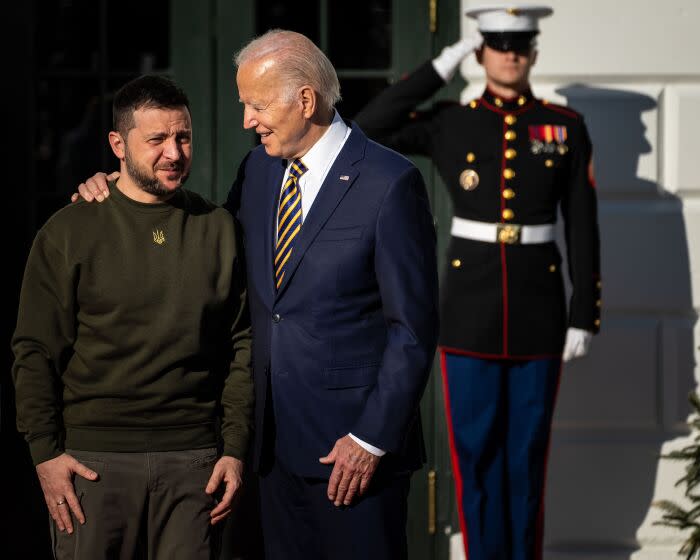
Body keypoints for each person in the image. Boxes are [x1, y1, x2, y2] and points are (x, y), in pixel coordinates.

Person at [77, 29, 439, 559]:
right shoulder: (259, 169)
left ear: (306, 101)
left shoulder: (390, 182)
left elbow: (413, 329)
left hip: (351, 457)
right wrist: (121, 192)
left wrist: (369, 439)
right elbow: (203, 243)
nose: (247, 120)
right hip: (266, 453)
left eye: (257, 105)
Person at [355, 5, 601, 560]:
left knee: (526, 457)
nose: (510, 53)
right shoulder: (451, 121)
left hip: (539, 311)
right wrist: (439, 67)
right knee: (475, 456)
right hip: (469, 313)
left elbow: (583, 224)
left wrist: (584, 310)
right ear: (482, 51)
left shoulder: (566, 127)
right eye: (497, 43)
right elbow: (367, 127)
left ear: (533, 52)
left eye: (520, 45)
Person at [12, 75, 254, 560]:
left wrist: (233, 447)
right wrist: (46, 454)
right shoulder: (69, 231)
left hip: (194, 463)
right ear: (117, 144)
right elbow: (34, 349)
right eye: (157, 140)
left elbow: (241, 346)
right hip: (92, 465)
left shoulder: (218, 229)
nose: (174, 153)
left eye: (182, 137)